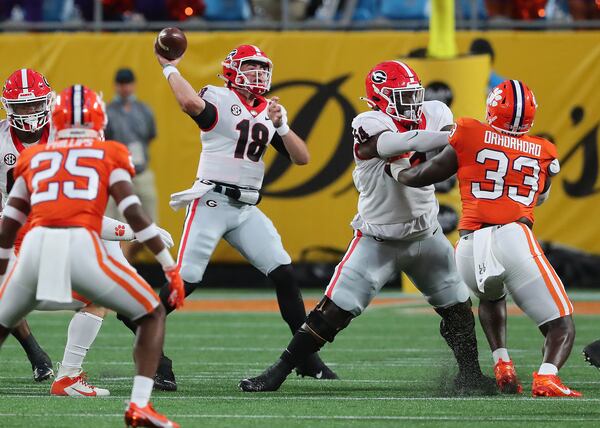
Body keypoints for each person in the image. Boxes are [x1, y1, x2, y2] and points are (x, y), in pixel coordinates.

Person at [239, 60, 494, 394]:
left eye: (413, 94)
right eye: (401, 96)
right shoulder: (369, 121)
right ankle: (277, 372)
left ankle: (471, 375)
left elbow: (436, 144)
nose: (412, 103)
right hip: (378, 238)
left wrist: (457, 136)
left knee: (459, 310)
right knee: (330, 314)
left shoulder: (436, 111)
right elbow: (396, 143)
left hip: (426, 234)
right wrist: (459, 135)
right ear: (380, 98)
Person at [116, 43, 337, 391]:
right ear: (233, 72)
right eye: (251, 68)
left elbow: (302, 157)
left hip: (246, 208)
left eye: (263, 68)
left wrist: (281, 127)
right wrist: (170, 68)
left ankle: (308, 359)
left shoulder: (270, 111)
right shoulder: (218, 96)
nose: (260, 74)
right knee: (185, 281)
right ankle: (139, 318)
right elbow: (190, 104)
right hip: (212, 202)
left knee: (284, 273)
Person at [0, 84, 184, 426]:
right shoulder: (108, 152)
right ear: (100, 120)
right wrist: (168, 264)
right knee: (147, 311)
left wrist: (3, 273)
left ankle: (61, 372)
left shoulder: (31, 158)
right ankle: (90, 385)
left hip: (24, 258)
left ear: (54, 117)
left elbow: (8, 223)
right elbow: (127, 212)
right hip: (72, 258)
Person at [393, 79, 581, 398]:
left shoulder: (469, 131)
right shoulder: (545, 151)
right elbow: (539, 198)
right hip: (513, 236)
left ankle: (502, 363)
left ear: (493, 108)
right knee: (561, 323)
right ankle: (547, 376)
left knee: (491, 298)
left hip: (468, 246)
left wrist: (397, 172)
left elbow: (429, 174)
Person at [105, 67, 159, 262]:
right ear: (116, 86)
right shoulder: (108, 111)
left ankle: (125, 260)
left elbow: (150, 136)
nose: (125, 88)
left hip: (141, 172)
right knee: (117, 223)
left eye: (128, 83)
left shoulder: (144, 110)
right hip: (117, 174)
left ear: (133, 85)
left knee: (151, 223)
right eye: (121, 84)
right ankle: (121, 264)